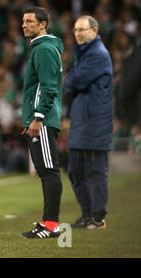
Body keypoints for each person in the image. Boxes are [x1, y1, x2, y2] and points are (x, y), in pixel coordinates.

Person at [65, 15, 113, 230]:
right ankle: (87, 214)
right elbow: (72, 83)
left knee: (94, 171)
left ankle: (98, 217)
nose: (78, 33)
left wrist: (70, 79)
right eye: (75, 30)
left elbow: (74, 81)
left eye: (82, 29)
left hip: (95, 123)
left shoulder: (97, 54)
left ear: (95, 31)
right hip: (82, 121)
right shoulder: (85, 54)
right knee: (75, 171)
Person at [20, 7, 64, 239]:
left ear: (43, 24)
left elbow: (47, 87)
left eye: (29, 21)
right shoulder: (42, 47)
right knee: (45, 171)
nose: (24, 25)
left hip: (43, 120)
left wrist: (37, 117)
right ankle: (48, 222)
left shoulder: (45, 48)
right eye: (23, 21)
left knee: (49, 171)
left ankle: (51, 225)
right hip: (39, 119)